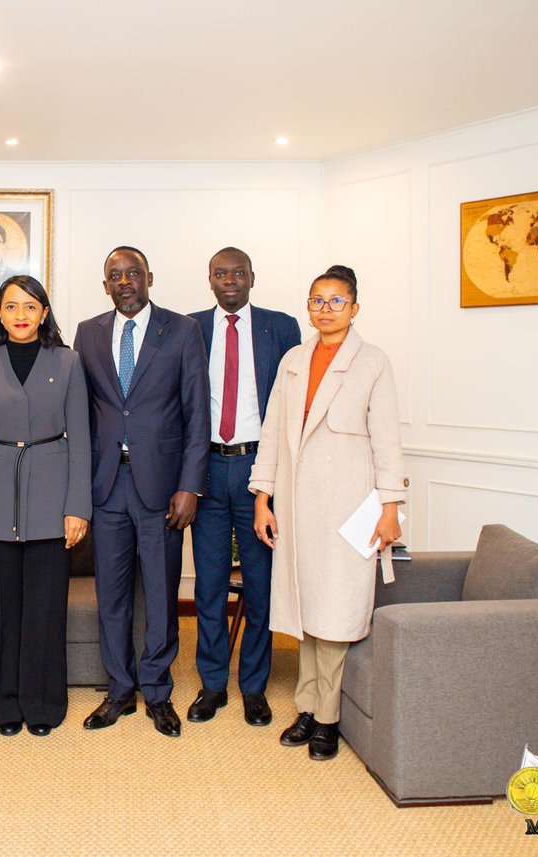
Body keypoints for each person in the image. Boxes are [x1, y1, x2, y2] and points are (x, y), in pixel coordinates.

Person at [250, 265, 406, 761]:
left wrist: (391, 508)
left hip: (347, 506)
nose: (325, 308)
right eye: (317, 300)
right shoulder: (294, 359)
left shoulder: (373, 362)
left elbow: (388, 439)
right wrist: (262, 495)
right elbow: (273, 432)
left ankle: (327, 719)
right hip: (296, 506)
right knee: (306, 608)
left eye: (336, 301)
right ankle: (306, 706)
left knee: (336, 614)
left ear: (354, 309)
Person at [72, 246, 209, 738]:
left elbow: (197, 413)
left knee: (160, 593)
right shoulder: (87, 333)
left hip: (163, 487)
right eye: (115, 275)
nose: (125, 281)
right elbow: (81, 412)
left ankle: (157, 692)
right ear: (104, 285)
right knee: (112, 595)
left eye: (133, 273)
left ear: (149, 277)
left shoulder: (183, 330)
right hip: (106, 485)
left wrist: (190, 483)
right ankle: (119, 690)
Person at [0, 275, 92, 737]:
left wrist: (78, 508)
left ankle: (44, 704)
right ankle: (2, 705)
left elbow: (82, 441)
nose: (20, 315)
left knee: (44, 609)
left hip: (52, 496)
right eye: (11, 306)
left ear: (44, 312)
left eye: (30, 306)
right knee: (1, 610)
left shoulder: (69, 362)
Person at [187, 248, 300, 727]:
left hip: (260, 469)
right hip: (207, 469)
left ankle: (254, 687)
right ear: (209, 280)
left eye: (238, 273)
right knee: (209, 585)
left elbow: (293, 402)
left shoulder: (283, 327)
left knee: (260, 586)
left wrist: (274, 483)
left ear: (252, 277)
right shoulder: (190, 328)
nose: (229, 280)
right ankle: (213, 685)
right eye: (220, 273)